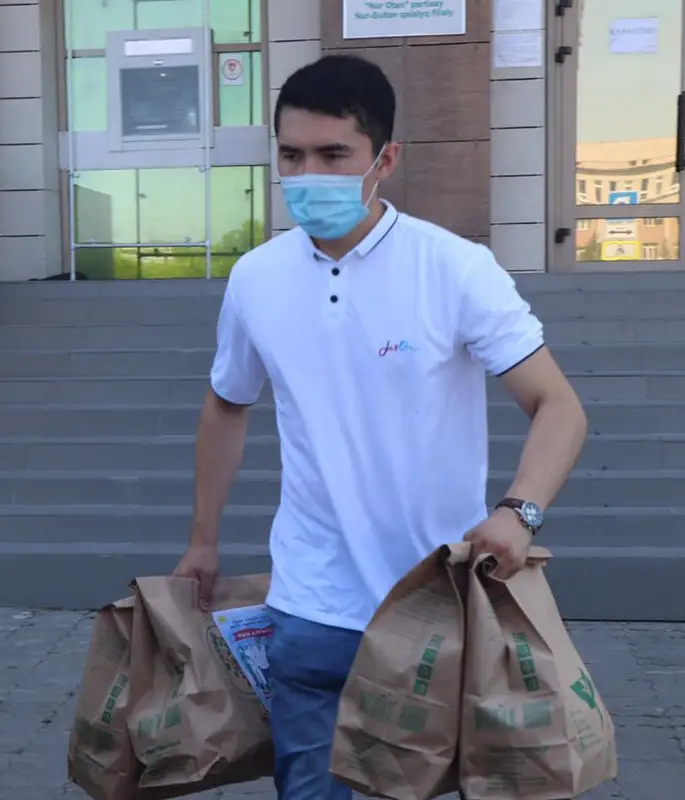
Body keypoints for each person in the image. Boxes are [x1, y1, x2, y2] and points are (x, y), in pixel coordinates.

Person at [174, 54, 587, 800]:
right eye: (292, 156)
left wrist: (519, 512)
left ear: (385, 159)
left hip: (433, 606)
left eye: (334, 155)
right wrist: (204, 539)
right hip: (309, 605)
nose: (309, 175)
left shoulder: (454, 268)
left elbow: (558, 407)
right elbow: (227, 403)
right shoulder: (256, 278)